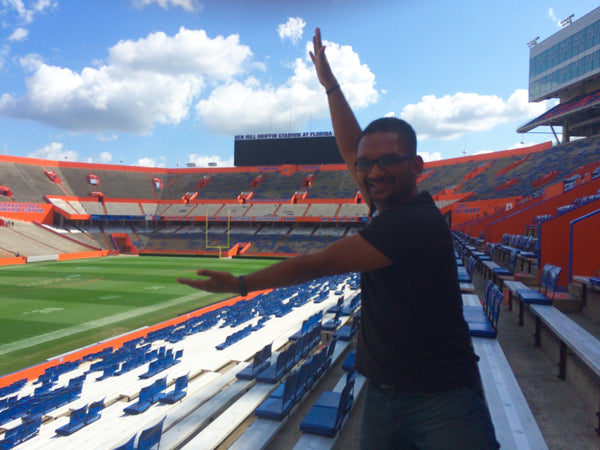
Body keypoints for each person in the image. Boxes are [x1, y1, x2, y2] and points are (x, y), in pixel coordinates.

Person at [178, 28, 499, 449]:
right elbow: (353, 151)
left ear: (417, 165)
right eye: (368, 165)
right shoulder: (390, 204)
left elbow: (322, 262)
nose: (373, 172)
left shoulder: (411, 222)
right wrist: (330, 86)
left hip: (441, 399)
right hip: (385, 392)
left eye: (388, 161)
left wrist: (241, 285)